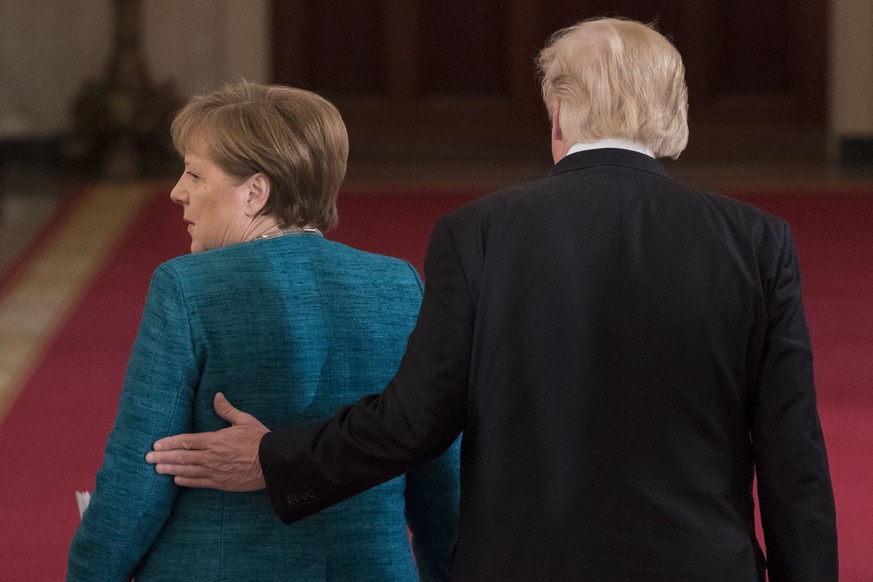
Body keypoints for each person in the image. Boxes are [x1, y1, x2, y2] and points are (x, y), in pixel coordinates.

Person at [146, 17, 838, 582]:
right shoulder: (755, 242)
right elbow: (791, 456)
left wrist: (275, 459)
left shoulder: (478, 233)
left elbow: (413, 422)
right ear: (669, 111)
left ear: (558, 110)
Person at [67, 81, 461, 581]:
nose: (176, 191)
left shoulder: (187, 287)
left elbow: (138, 479)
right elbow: (441, 483)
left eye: (193, 174)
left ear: (255, 191)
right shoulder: (399, 285)